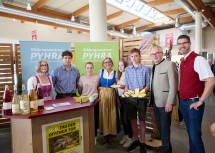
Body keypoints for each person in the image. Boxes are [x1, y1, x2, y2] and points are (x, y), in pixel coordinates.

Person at [177, 35, 215, 153]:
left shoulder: (198, 59)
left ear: (189, 44)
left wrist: (201, 101)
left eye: (184, 43)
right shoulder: (183, 60)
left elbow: (211, 80)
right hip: (183, 102)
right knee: (190, 133)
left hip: (194, 103)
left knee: (195, 136)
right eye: (179, 43)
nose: (182, 45)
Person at [150, 46, 178, 153]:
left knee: (165, 128)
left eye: (157, 53)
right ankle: (167, 147)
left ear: (162, 53)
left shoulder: (170, 64)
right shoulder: (154, 66)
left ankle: (166, 150)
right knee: (161, 128)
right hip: (155, 102)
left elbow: (174, 86)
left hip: (165, 103)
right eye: (153, 54)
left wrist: (169, 102)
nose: (155, 55)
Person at [125, 48, 150, 153]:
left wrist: (141, 93)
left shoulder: (145, 69)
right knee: (133, 121)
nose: (134, 58)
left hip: (141, 99)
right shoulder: (127, 69)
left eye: (136, 56)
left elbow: (148, 85)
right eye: (132, 56)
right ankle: (136, 140)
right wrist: (127, 92)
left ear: (140, 56)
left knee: (142, 121)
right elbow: (126, 84)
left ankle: (143, 142)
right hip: (131, 99)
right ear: (130, 58)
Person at [98, 57, 120, 145]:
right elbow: (97, 85)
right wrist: (99, 89)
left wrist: (118, 98)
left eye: (109, 62)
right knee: (103, 114)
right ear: (103, 64)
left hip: (111, 95)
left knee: (112, 114)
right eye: (105, 62)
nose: (107, 64)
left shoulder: (115, 73)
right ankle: (104, 135)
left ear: (112, 63)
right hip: (102, 95)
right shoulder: (100, 72)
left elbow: (118, 85)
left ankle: (111, 136)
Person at [77, 62, 100, 141]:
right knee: (85, 119)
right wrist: (84, 96)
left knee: (94, 119)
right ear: (85, 69)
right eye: (88, 68)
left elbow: (97, 88)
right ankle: (85, 136)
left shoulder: (97, 77)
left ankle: (94, 137)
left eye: (91, 67)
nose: (89, 69)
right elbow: (80, 90)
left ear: (93, 68)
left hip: (94, 101)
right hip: (84, 101)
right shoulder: (81, 78)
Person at [117, 59, 133, 148]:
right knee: (123, 118)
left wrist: (123, 86)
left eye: (122, 65)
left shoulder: (128, 74)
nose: (120, 67)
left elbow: (130, 86)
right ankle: (126, 135)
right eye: (119, 66)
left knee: (127, 118)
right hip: (120, 98)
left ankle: (131, 137)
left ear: (125, 66)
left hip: (127, 98)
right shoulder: (119, 75)